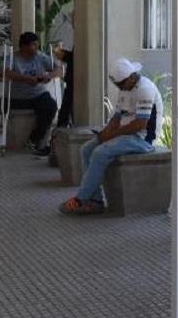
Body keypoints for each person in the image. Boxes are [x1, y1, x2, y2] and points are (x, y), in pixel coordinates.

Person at [60, 58, 163, 215]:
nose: (120, 88)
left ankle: (82, 198)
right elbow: (116, 118)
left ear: (131, 77)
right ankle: (95, 201)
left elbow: (139, 125)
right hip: (126, 134)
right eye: (117, 85)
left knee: (100, 152)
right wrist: (104, 134)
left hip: (142, 139)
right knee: (87, 149)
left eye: (121, 84)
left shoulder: (145, 89)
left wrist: (112, 135)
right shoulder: (125, 87)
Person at [3, 32, 62, 155]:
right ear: (24, 46)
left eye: (37, 45)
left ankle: (34, 140)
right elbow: (6, 73)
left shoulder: (40, 56)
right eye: (33, 45)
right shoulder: (13, 58)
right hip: (17, 98)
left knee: (50, 106)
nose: (36, 48)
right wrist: (26, 79)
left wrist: (49, 76)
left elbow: (58, 69)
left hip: (38, 94)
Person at [53, 45, 74, 129]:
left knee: (66, 110)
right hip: (72, 81)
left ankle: (61, 129)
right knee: (66, 110)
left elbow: (74, 58)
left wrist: (62, 54)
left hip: (75, 81)